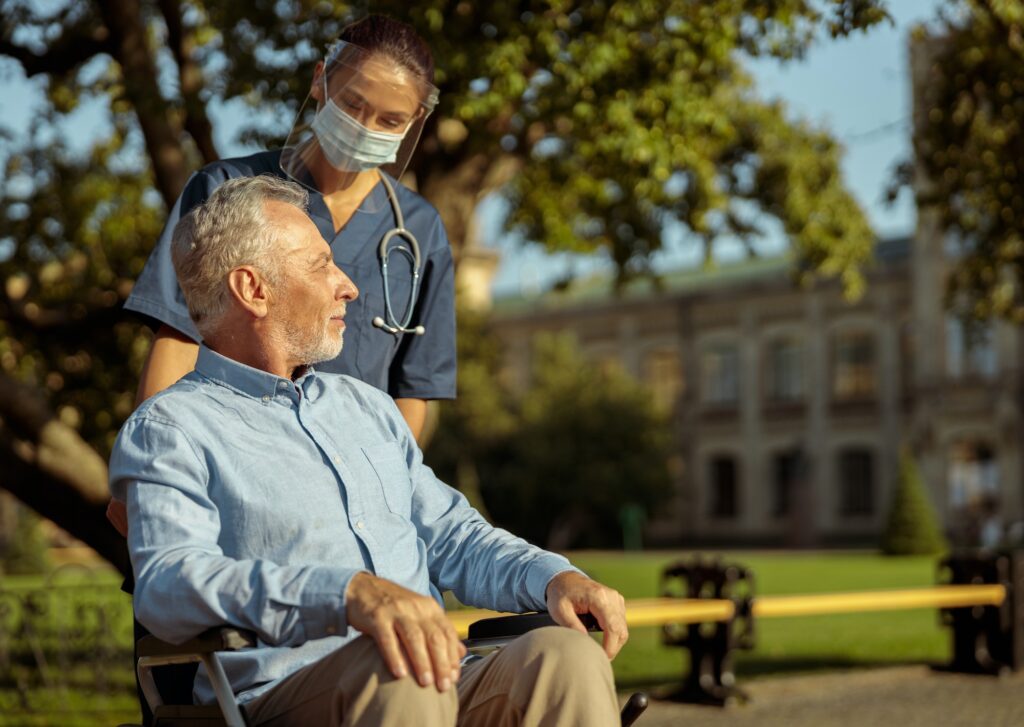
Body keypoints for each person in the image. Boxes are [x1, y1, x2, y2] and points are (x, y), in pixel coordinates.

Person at [109, 174, 629, 726]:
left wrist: (553, 578)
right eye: (319, 265)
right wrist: (343, 594)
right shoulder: (171, 427)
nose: (347, 286)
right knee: (398, 664)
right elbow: (168, 585)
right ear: (252, 289)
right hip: (284, 695)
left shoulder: (367, 408)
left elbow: (453, 537)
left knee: (564, 658)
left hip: (436, 677)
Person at [109, 15, 455, 536]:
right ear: (320, 80)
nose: (366, 127)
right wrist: (151, 476)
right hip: (227, 481)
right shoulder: (227, 190)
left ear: (413, 124)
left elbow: (412, 392)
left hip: (348, 505)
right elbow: (177, 341)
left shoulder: (419, 231)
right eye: (354, 104)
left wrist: (377, 495)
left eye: (390, 120)